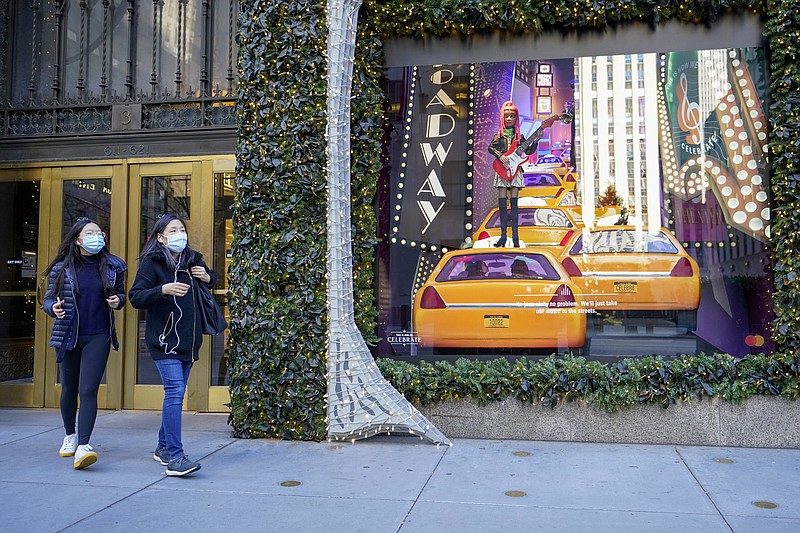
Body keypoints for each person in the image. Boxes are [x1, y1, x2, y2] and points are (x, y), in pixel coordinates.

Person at [128, 214, 216, 477]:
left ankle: (163, 448)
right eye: (173, 230)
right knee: (175, 392)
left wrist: (208, 277)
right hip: (164, 340)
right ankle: (176, 457)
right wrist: (162, 289)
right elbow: (135, 297)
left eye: (182, 229)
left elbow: (215, 281)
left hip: (189, 342)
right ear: (161, 237)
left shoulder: (193, 259)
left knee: (177, 393)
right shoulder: (152, 263)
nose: (180, 233)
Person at [41, 217, 127, 470]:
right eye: (90, 233)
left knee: (88, 389)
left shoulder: (113, 265)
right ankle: (70, 435)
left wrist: (118, 301)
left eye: (99, 233)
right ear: (77, 240)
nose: (96, 237)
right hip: (69, 333)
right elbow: (47, 299)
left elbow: (121, 295)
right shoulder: (62, 268)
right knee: (69, 387)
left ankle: (84, 445)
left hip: (98, 334)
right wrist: (52, 308)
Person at [488, 101, 557, 247]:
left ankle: (515, 237)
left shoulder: (520, 137)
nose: (509, 119)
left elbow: (529, 152)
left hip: (515, 171)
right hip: (502, 168)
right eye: (506, 116)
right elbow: (490, 148)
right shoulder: (498, 136)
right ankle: (502, 236)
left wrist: (536, 141)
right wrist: (501, 156)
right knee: (502, 204)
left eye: (512, 116)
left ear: (516, 119)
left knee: (514, 205)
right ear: (502, 118)